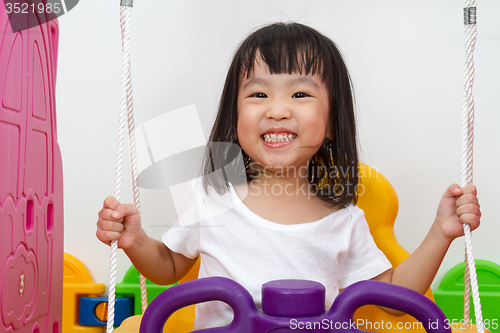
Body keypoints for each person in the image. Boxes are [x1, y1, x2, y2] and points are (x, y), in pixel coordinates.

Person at [96, 22, 481, 329]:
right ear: (236, 118)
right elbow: (167, 267)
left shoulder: (343, 218)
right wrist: (135, 241)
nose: (277, 110)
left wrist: (440, 232)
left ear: (330, 124)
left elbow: (393, 300)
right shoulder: (211, 197)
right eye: (258, 95)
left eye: (300, 95)